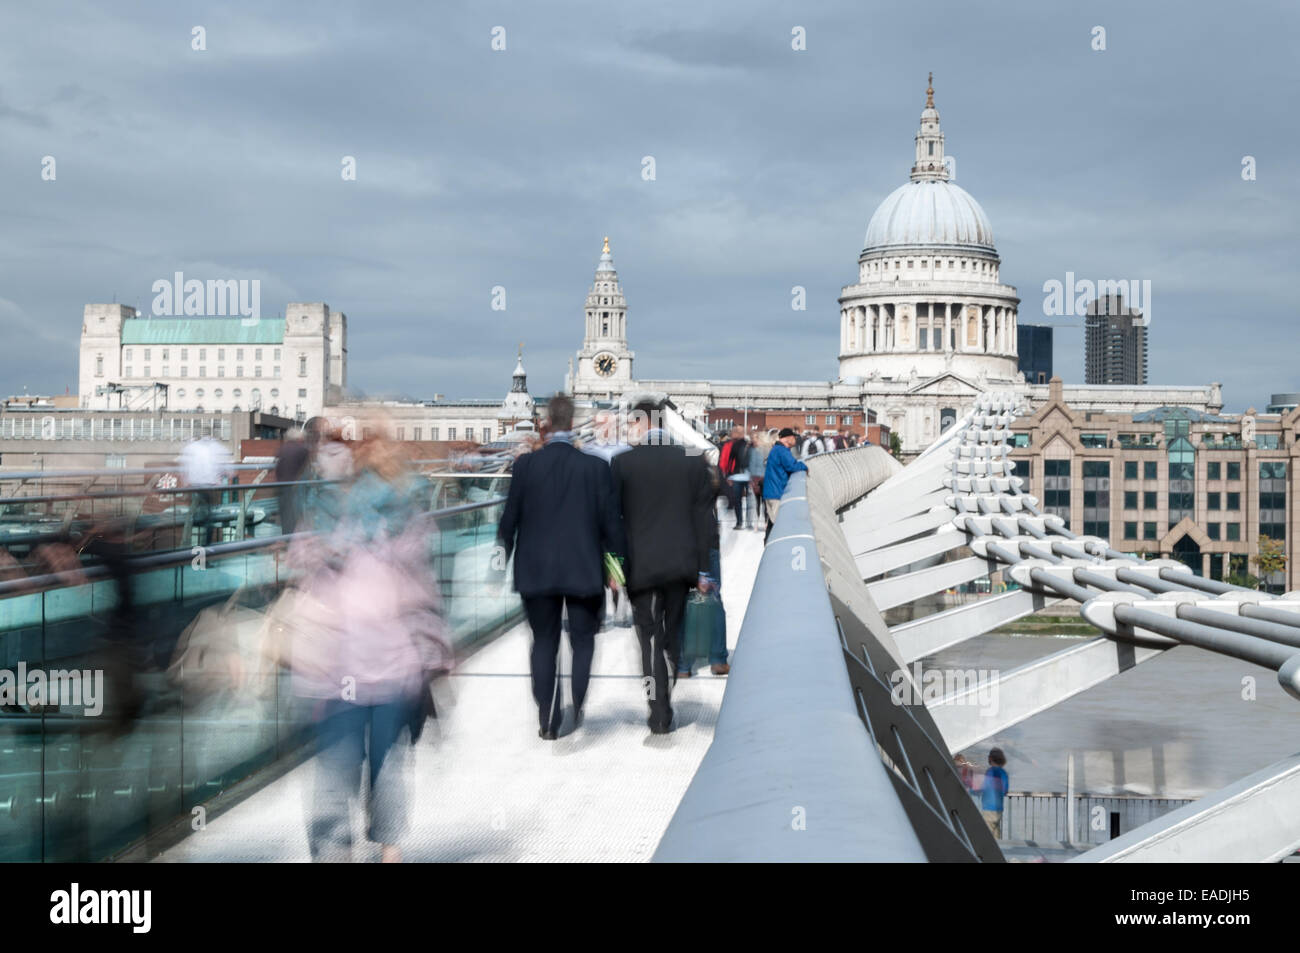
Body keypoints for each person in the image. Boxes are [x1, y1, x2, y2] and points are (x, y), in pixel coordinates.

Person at [298, 429, 451, 863]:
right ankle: (386, 850)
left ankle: (382, 850)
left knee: (354, 772)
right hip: (360, 669)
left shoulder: (382, 519)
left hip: (365, 670)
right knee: (380, 767)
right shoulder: (329, 516)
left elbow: (420, 591)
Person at [497, 395, 625, 740]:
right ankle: (578, 704)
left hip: (534, 570)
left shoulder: (525, 466)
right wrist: (618, 570)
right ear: (571, 425)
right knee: (583, 641)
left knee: (543, 642)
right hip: (584, 569)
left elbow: (508, 521)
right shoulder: (596, 468)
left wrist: (498, 564)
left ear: (547, 424)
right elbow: (612, 526)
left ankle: (546, 715)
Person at [612, 400, 714, 734]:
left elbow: (613, 522)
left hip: (641, 567)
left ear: (642, 424)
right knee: (671, 638)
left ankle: (658, 708)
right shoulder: (690, 459)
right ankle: (665, 684)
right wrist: (703, 571)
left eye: (631, 425)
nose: (629, 431)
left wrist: (613, 569)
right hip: (680, 565)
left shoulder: (623, 462)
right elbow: (704, 521)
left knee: (649, 638)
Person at [180, 425, 233, 546]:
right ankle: (205, 550)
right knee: (209, 518)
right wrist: (220, 476)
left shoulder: (191, 448)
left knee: (193, 515)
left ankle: (189, 547)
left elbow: (182, 467)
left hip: (193, 487)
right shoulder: (217, 448)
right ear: (212, 435)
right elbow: (231, 471)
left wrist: (186, 481)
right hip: (208, 487)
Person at [762, 428, 809, 543]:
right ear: (788, 439)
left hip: (771, 492)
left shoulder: (777, 449)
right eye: (794, 437)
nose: (795, 440)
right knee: (778, 526)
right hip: (776, 493)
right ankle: (772, 549)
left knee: (773, 524)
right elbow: (792, 466)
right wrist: (804, 466)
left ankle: (769, 546)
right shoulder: (781, 451)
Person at [718, 426, 752, 529]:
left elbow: (725, 461)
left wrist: (727, 474)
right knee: (745, 500)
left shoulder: (731, 445)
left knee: (739, 500)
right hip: (742, 475)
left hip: (738, 475)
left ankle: (740, 522)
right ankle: (745, 522)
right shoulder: (748, 445)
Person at [981, 747, 1010, 838]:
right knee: (996, 835)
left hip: (988, 808)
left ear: (990, 758)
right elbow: (1005, 791)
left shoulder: (991, 771)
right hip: (999, 808)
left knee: (987, 837)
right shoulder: (1004, 773)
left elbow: (985, 787)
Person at [747, 431, 771, 531]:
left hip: (764, 478)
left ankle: (765, 522)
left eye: (756, 439)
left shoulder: (765, 450)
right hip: (756, 478)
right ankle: (757, 522)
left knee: (764, 502)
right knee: (757, 501)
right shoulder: (752, 451)